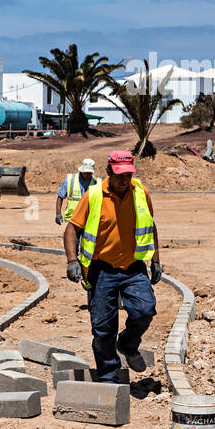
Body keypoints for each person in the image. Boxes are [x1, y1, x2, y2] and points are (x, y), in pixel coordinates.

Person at [62, 150, 162, 382]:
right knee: (103, 327)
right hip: (101, 270)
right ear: (108, 172)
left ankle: (127, 344)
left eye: (128, 174)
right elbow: (71, 229)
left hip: (133, 267)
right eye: (119, 175)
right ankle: (109, 377)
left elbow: (150, 224)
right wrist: (71, 260)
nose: (124, 180)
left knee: (145, 310)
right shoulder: (93, 195)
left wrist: (156, 260)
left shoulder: (140, 192)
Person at [55, 157, 96, 225]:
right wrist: (58, 214)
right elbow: (60, 197)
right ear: (82, 170)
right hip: (72, 219)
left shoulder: (96, 182)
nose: (88, 174)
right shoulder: (69, 180)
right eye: (86, 172)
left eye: (90, 172)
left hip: (89, 219)